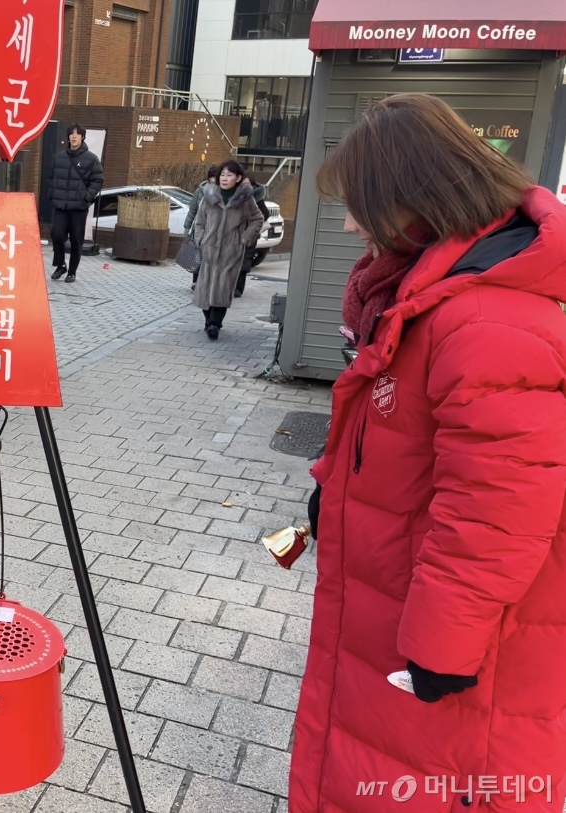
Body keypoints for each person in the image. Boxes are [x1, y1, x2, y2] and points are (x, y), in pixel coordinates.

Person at [292, 93, 566, 813]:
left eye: (359, 206)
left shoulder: (484, 316)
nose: (351, 224)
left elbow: (502, 502)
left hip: (460, 648)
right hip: (399, 598)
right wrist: (334, 488)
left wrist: (444, 644)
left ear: (409, 201)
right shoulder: (438, 293)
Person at [192, 159, 263, 340]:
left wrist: (244, 238)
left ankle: (215, 323)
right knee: (205, 287)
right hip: (208, 248)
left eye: (229, 175)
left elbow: (257, 219)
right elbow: (199, 221)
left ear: (238, 178)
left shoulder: (245, 199)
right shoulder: (209, 196)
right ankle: (208, 321)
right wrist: (200, 238)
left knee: (223, 287)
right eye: (222, 174)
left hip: (231, 250)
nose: (224, 178)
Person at [49, 124, 103, 283]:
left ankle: (72, 271)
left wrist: (86, 197)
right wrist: (52, 194)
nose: (74, 137)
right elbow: (51, 177)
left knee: (75, 240)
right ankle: (60, 265)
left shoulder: (91, 159)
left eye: (77, 134)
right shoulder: (59, 157)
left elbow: (98, 180)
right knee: (57, 235)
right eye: (71, 134)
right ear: (67, 137)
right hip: (61, 205)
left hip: (78, 208)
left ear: (82, 137)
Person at [184, 164, 220, 290]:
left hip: (214, 231)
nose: (214, 180)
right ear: (209, 178)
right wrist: (186, 227)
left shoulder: (223, 193)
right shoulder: (200, 191)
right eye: (212, 177)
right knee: (197, 257)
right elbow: (192, 211)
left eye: (217, 177)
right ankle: (195, 283)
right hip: (199, 230)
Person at [234, 176, 269, 298]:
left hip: (249, 235)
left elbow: (264, 214)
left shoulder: (256, 198)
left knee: (244, 261)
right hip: (234, 234)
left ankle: (238, 289)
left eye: (247, 184)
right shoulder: (235, 196)